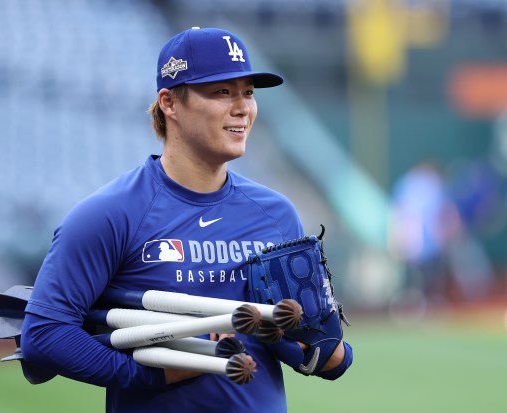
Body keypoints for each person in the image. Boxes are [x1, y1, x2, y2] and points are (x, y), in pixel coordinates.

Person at [21, 27, 353, 413]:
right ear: (169, 103)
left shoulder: (277, 214)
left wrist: (326, 352)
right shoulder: (109, 214)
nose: (243, 107)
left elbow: (312, 351)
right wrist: (150, 374)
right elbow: (44, 335)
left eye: (248, 92)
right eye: (221, 92)